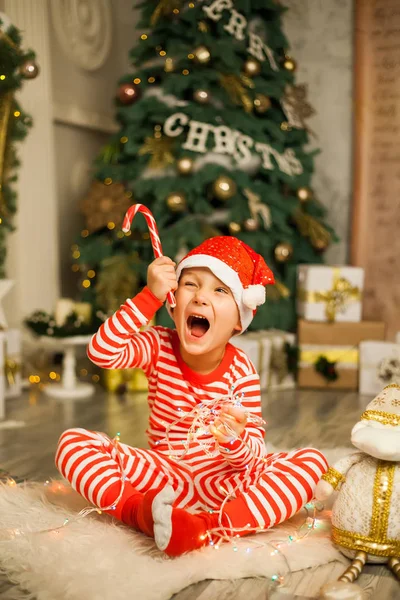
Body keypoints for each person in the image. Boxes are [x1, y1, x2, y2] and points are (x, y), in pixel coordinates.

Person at [55, 236, 328, 556]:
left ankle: (211, 528)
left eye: (220, 290)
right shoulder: (157, 344)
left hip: (225, 483)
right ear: (173, 302)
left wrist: (234, 439)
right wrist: (148, 297)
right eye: (191, 285)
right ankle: (140, 514)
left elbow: (252, 458)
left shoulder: (241, 370)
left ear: (239, 320)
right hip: (163, 475)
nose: (200, 298)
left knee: (312, 464)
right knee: (73, 444)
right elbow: (102, 352)